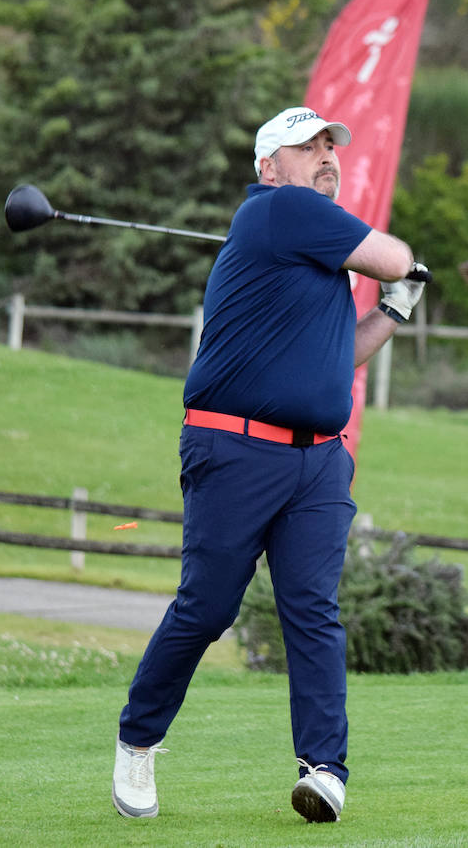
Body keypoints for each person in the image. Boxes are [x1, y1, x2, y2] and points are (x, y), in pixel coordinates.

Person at [111, 106, 428, 824]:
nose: (324, 157)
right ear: (268, 169)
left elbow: (334, 358)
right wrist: (407, 268)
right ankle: (138, 737)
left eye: (329, 147)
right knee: (209, 607)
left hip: (317, 460)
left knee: (312, 611)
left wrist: (395, 313)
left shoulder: (313, 251)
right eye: (305, 147)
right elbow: (392, 255)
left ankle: (324, 770)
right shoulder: (280, 212)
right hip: (235, 447)